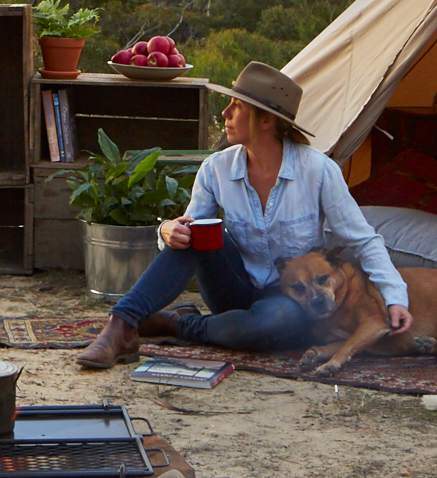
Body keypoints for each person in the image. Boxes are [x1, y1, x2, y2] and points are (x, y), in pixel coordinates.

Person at [74, 61, 411, 369]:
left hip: (288, 298)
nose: (225, 113)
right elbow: (186, 238)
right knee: (199, 231)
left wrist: (395, 297)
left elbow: (363, 240)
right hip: (232, 288)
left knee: (273, 323)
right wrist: (167, 230)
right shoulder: (216, 168)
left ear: (266, 120)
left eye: (236, 106)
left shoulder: (319, 171)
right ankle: (121, 325)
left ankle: (178, 323)